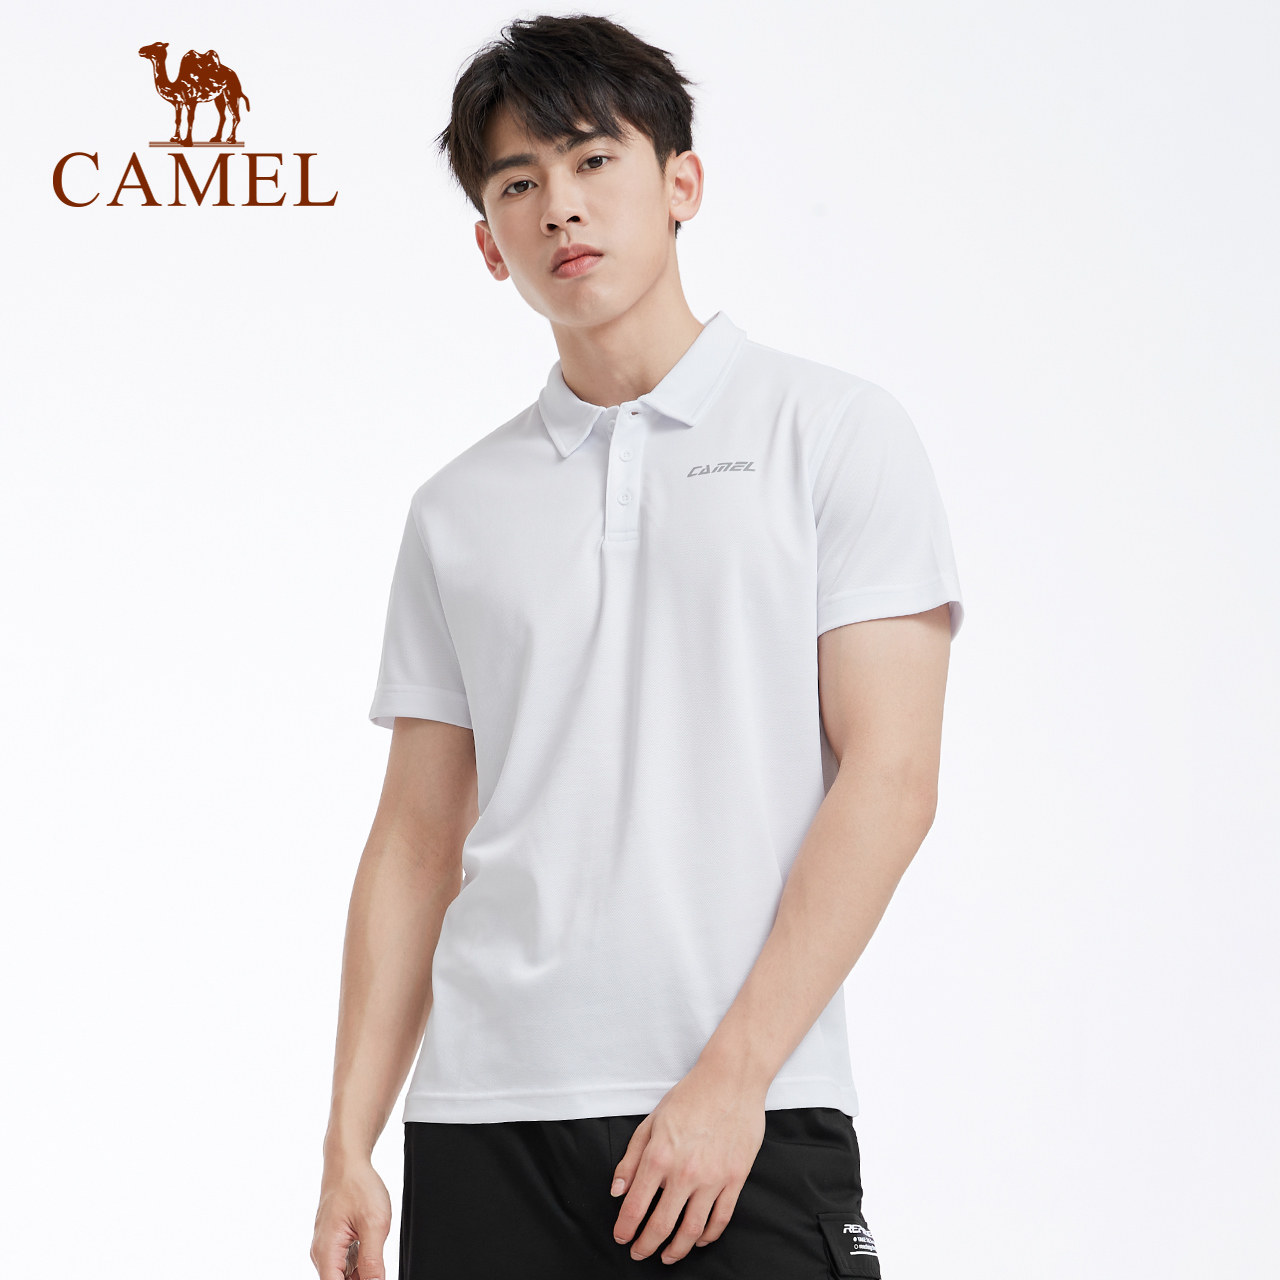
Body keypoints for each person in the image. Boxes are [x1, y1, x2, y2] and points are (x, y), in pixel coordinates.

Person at [310, 13, 964, 1280]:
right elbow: (414, 838)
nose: (558, 204)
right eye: (516, 183)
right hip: (481, 1120)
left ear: (681, 183)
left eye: (592, 159)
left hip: (740, 1104)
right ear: (489, 244)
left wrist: (732, 1077)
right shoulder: (455, 509)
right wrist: (350, 1137)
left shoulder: (830, 431)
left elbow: (890, 779)